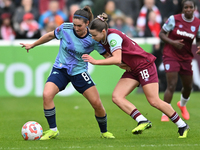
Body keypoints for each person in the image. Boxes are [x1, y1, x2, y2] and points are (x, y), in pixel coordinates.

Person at [82, 12, 190, 138]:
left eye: (94, 35)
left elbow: (116, 58)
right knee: (117, 97)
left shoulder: (112, 37)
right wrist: (121, 64)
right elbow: (117, 59)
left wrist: (95, 61)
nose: (93, 38)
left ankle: (182, 125)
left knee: (154, 101)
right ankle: (142, 120)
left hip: (144, 66)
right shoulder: (104, 38)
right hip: (133, 69)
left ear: (104, 32)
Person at [20, 6, 115, 140]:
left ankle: (104, 132)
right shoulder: (65, 28)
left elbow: (108, 56)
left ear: (87, 23)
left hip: (79, 72)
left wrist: (123, 63)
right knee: (47, 94)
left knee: (97, 104)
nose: (76, 28)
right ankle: (53, 130)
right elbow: (49, 35)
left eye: (79, 26)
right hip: (60, 68)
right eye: (74, 24)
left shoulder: (93, 38)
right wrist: (33, 45)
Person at [159, 0, 200, 122]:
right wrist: (172, 42)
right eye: (185, 7)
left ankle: (182, 105)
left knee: (188, 86)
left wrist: (199, 46)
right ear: (182, 9)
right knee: (171, 84)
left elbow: (198, 38)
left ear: (194, 8)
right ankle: (165, 113)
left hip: (186, 57)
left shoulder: (197, 23)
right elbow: (161, 34)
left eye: (190, 7)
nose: (188, 9)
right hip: (170, 54)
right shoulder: (173, 19)